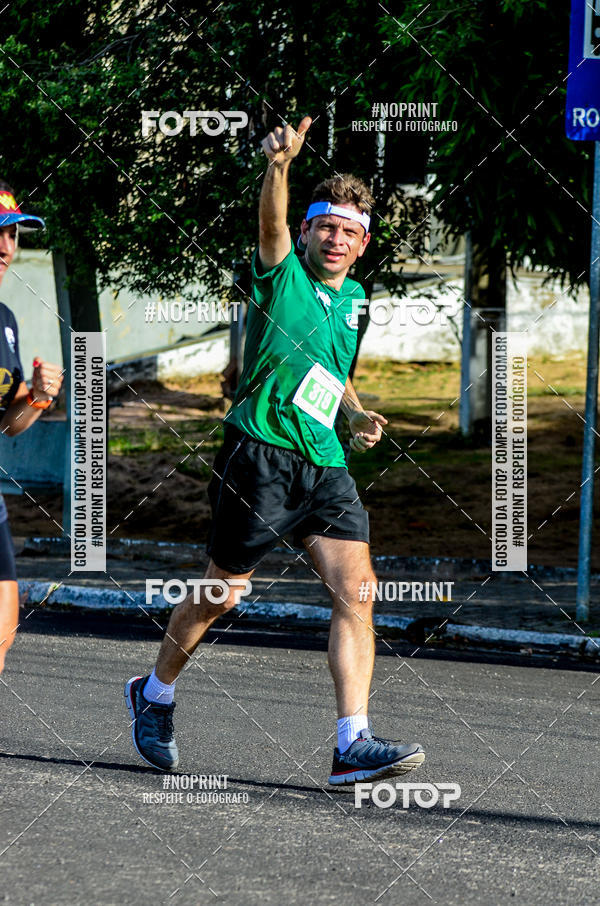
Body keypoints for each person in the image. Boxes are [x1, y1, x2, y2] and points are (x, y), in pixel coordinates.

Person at [125, 118, 425, 784]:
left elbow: (333, 366)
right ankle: (155, 694)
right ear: (308, 231)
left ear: (363, 241)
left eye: (349, 231)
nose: (337, 239)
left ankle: (352, 741)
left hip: (325, 463)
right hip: (259, 455)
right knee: (223, 592)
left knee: (357, 592)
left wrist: (352, 415)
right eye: (326, 227)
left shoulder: (356, 300)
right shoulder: (278, 272)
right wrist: (280, 166)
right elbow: (268, 228)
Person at [0, 181, 63, 673]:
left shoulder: (5, 320)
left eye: (14, 233)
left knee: (4, 625)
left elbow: (10, 425)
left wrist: (39, 396)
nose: (6, 247)